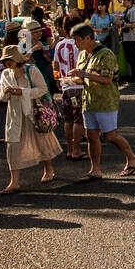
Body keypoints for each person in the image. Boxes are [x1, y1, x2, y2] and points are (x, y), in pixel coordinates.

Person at [70, 24, 135, 181]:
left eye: (77, 40)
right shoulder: (83, 54)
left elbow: (107, 79)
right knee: (91, 136)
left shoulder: (105, 54)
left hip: (105, 101)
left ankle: (132, 157)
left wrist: (85, 75)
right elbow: (82, 77)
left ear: (88, 38)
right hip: (88, 101)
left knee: (110, 136)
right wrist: (72, 80)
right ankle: (95, 169)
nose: (76, 44)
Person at [0, 45, 62, 194]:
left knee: (42, 141)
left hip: (33, 113)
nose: (7, 63)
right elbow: (2, 97)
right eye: (5, 60)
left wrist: (23, 92)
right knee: (12, 146)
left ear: (17, 59)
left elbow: (43, 89)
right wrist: (6, 92)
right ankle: (14, 182)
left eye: (9, 59)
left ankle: (48, 169)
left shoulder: (31, 70)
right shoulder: (6, 74)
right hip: (14, 115)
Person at [52, 16, 85, 162]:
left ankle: (70, 148)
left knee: (68, 119)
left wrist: (57, 80)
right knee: (78, 119)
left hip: (65, 84)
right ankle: (77, 149)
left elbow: (56, 65)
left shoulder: (59, 45)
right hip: (78, 85)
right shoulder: (79, 44)